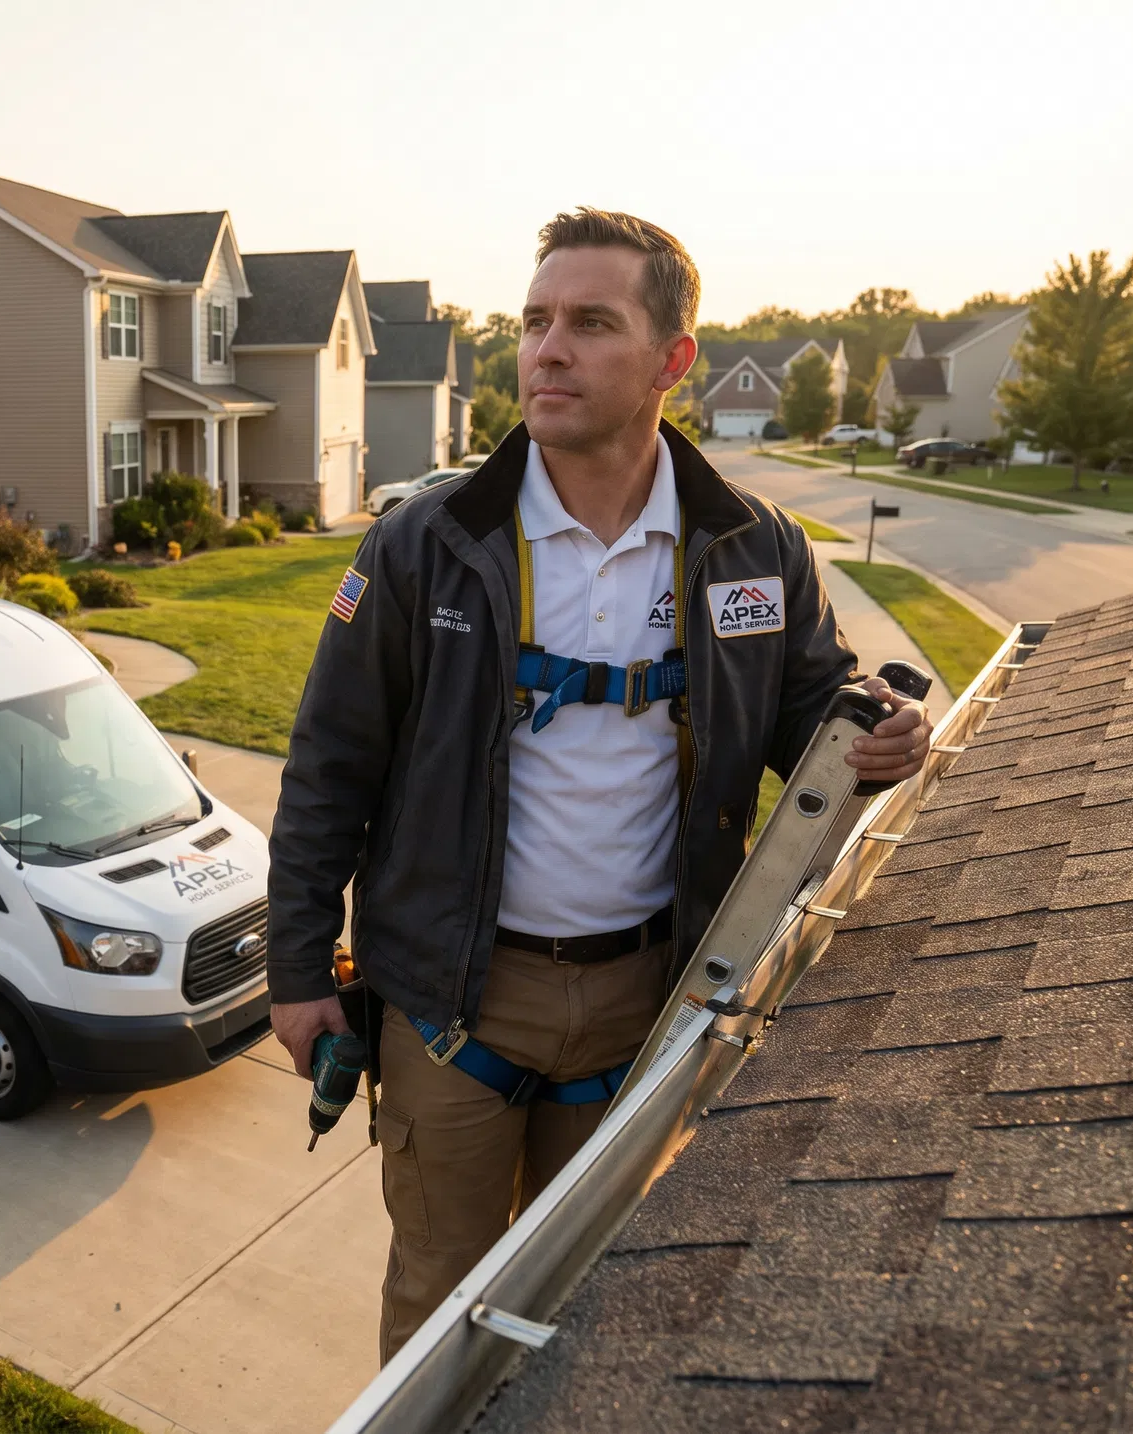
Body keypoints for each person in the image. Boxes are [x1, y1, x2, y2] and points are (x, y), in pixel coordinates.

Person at [263, 208, 933, 1361]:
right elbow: (330, 765)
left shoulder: (752, 549)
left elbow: (809, 706)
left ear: (673, 361)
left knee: (587, 1305)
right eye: (532, 323)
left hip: (647, 1002)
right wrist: (294, 966)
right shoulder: (426, 545)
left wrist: (880, 731)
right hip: (452, 1004)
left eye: (588, 322)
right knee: (438, 1312)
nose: (545, 350)